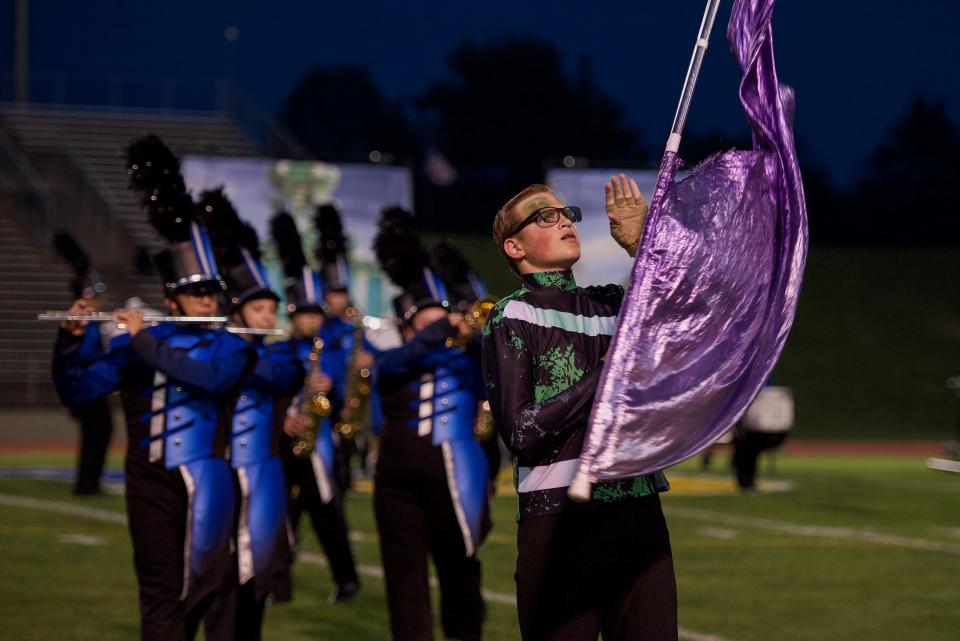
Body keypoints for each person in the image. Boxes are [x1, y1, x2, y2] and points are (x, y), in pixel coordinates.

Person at [52, 135, 251, 641]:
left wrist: (141, 341)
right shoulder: (141, 342)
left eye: (212, 293)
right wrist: (69, 342)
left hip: (212, 481)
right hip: (150, 484)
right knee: (162, 596)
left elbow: (209, 381)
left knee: (214, 590)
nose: (208, 303)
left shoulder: (234, 346)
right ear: (173, 297)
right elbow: (78, 391)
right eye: (196, 294)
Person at [482, 177, 676, 641]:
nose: (565, 220)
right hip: (558, 524)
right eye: (546, 216)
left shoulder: (613, 303)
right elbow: (522, 432)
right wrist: (602, 377)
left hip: (638, 512)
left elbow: (693, 309)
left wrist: (647, 245)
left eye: (566, 212)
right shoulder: (513, 316)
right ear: (515, 246)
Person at [372, 207, 493, 641]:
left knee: (460, 565)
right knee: (404, 580)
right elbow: (387, 371)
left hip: (455, 474)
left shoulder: (468, 355)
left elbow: (491, 369)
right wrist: (433, 331)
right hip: (396, 480)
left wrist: (469, 331)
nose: (440, 325)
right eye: (427, 320)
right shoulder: (396, 356)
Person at [198, 189, 303, 639]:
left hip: (262, 479)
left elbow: (277, 376)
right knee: (214, 580)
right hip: (217, 478)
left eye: (270, 310)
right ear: (238, 310)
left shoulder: (279, 357)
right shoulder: (215, 350)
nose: (266, 317)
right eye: (257, 309)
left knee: (256, 577)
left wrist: (232, 350)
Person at [271, 211, 361, 604]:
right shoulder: (278, 350)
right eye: (304, 314)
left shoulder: (333, 347)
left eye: (315, 314)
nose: (311, 321)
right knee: (279, 514)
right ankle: (277, 582)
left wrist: (332, 387)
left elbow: (343, 395)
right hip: (281, 442)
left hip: (320, 442)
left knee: (327, 514)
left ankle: (346, 580)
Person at [53, 232, 113, 495]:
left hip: (92, 381)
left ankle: (89, 482)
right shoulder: (84, 323)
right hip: (88, 382)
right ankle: (87, 483)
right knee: (97, 432)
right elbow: (86, 351)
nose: (100, 299)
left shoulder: (95, 321)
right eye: (95, 295)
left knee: (99, 432)